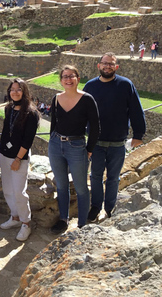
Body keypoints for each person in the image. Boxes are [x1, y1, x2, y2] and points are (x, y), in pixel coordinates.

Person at [84, 52, 146, 221]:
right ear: (99, 65)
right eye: (105, 63)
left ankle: (109, 208)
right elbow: (82, 112)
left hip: (118, 142)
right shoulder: (90, 86)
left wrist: (138, 134)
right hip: (96, 142)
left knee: (113, 178)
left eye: (111, 64)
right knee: (95, 176)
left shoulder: (125, 85)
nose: (107, 66)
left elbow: (136, 110)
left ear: (116, 67)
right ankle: (95, 206)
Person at [48, 66, 100, 233]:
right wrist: (52, 142)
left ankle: (82, 225)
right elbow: (54, 123)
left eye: (71, 76)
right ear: (61, 80)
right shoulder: (56, 98)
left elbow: (95, 127)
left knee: (81, 187)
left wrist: (89, 149)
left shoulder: (87, 99)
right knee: (61, 186)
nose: (68, 79)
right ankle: (63, 219)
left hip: (77, 146)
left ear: (78, 78)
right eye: (65, 76)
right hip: (56, 144)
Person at [0, 78, 39, 241]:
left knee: (19, 192)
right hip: (4, 155)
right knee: (7, 190)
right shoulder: (10, 108)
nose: (15, 92)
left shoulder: (31, 113)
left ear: (25, 91)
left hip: (18, 158)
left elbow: (27, 140)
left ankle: (26, 223)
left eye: (18, 89)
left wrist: (17, 159)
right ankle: (15, 217)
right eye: (12, 89)